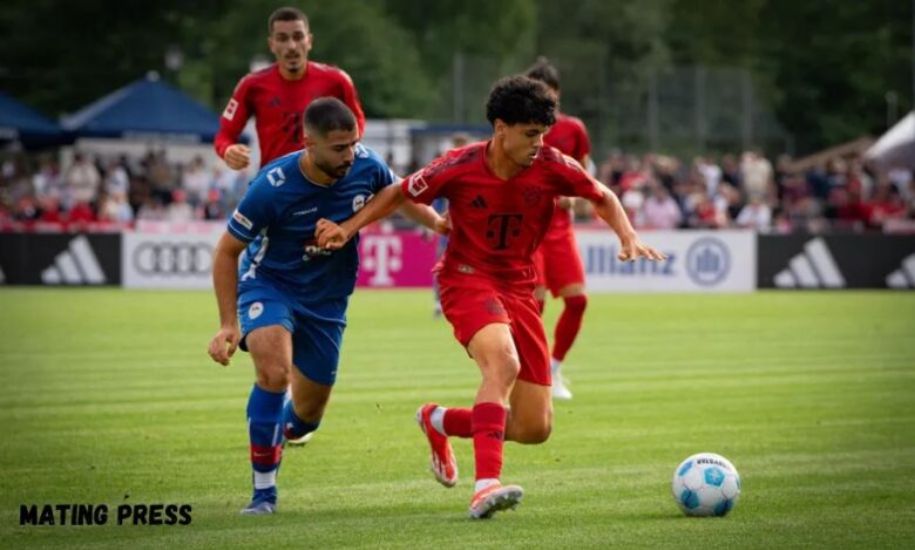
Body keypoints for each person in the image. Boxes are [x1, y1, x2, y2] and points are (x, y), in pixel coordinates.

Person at [315, 76, 664, 519]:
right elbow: (398, 193)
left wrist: (628, 235)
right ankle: (485, 487)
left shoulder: (553, 165)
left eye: (542, 134)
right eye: (530, 134)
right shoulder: (458, 166)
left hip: (519, 286)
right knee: (503, 363)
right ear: (501, 128)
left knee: (533, 428)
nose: (538, 144)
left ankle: (437, 420)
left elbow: (603, 195)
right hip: (467, 279)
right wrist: (347, 228)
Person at [207, 98, 443, 515]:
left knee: (308, 416)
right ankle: (264, 494)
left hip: (327, 301)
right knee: (274, 371)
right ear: (308, 143)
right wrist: (228, 323)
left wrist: (439, 224)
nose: (349, 155)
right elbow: (226, 252)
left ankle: (277, 426)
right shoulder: (271, 186)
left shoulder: (366, 165)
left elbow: (398, 194)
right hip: (270, 285)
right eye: (338, 148)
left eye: (353, 144)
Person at [214, 7, 366, 172]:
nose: (292, 46)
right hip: (275, 185)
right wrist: (228, 150)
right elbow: (224, 135)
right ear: (272, 44)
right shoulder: (251, 85)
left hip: (326, 185)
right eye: (282, 38)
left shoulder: (338, 81)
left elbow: (357, 126)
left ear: (309, 41)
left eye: (298, 37)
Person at [525, 58, 592, 400]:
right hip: (530, 230)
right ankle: (533, 376)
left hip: (561, 229)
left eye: (548, 95)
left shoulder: (573, 130)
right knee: (532, 305)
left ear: (558, 95)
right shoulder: (520, 130)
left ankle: (554, 367)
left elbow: (582, 176)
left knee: (578, 301)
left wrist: (577, 198)